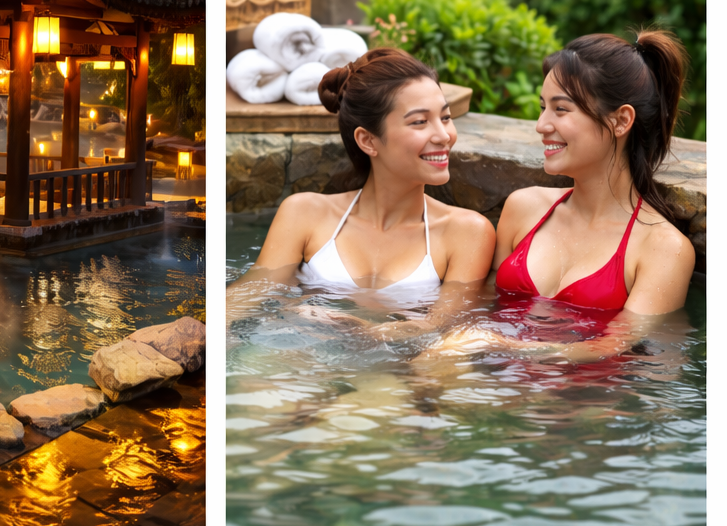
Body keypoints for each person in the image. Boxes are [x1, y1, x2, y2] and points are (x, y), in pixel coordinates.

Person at [422, 31, 695, 364]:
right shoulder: (524, 208)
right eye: (542, 108)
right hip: (501, 382)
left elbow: (611, 346)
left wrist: (494, 344)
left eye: (560, 109)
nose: (541, 125)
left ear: (621, 120)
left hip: (587, 405)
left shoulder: (663, 249)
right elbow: (477, 309)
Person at [228, 47, 496, 320]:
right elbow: (246, 297)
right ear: (367, 140)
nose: (444, 135)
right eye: (419, 121)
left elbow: (444, 331)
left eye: (446, 117)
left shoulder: (466, 233)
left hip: (397, 362)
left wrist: (354, 327)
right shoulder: (304, 213)